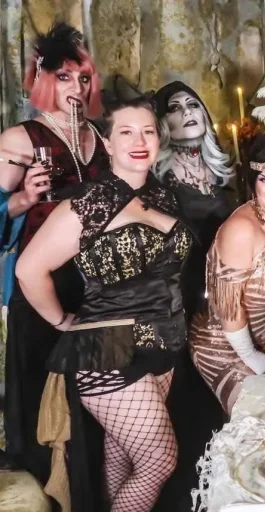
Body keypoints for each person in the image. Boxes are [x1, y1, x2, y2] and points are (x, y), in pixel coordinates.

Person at [16, 97, 192, 512]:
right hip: (106, 348)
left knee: (121, 455)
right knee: (159, 461)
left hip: (162, 343)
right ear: (108, 144)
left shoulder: (163, 197)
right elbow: (29, 269)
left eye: (148, 131)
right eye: (126, 132)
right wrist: (61, 320)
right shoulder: (89, 202)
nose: (139, 141)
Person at [0, 22, 108, 482]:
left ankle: (87, 479)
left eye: (83, 78)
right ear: (43, 79)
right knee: (41, 385)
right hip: (41, 282)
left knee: (91, 391)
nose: (76, 88)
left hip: (95, 283)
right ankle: (46, 481)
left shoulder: (101, 137)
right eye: (64, 77)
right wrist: (24, 198)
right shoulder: (20, 139)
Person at [189, 132, 265, 414]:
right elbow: (228, 306)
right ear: (252, 181)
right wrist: (252, 356)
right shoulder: (241, 230)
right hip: (227, 344)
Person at [152, 80, 233, 512]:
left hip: (223, 304)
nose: (187, 112)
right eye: (175, 107)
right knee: (187, 408)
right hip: (179, 307)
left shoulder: (224, 175)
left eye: (193, 104)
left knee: (220, 408)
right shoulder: (157, 182)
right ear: (162, 122)